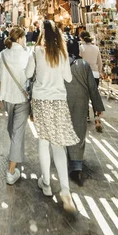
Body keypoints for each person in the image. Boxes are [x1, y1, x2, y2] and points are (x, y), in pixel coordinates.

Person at [26, 20, 79, 214]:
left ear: (41, 33)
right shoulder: (62, 53)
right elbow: (68, 78)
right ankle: (65, 190)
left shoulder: (37, 52)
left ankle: (46, 183)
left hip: (41, 100)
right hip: (58, 100)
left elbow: (28, 73)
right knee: (59, 144)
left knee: (43, 140)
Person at [65, 40, 105, 186]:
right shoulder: (84, 65)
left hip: (63, 99)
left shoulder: (60, 64)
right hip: (81, 100)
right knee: (79, 130)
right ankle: (76, 165)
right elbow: (92, 88)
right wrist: (97, 107)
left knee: (64, 128)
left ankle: (64, 158)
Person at [0, 27, 30, 185]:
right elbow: (31, 76)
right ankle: (11, 172)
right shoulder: (27, 54)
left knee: (13, 129)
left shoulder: (2, 54)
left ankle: (16, 155)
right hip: (22, 99)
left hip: (7, 97)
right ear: (21, 38)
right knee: (16, 132)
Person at [80, 31, 103, 129]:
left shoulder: (81, 48)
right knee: (94, 95)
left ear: (82, 38)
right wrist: (99, 71)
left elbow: (79, 61)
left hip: (84, 73)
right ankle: (97, 116)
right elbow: (100, 62)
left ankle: (86, 115)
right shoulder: (96, 48)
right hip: (95, 73)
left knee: (85, 95)